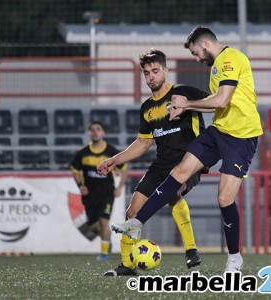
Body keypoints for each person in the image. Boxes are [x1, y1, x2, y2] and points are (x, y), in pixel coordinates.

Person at [107, 26, 263, 273]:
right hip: (219, 130)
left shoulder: (232, 59)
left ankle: (234, 257)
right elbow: (216, 105)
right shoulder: (215, 66)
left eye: (195, 53)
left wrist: (187, 103)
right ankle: (136, 222)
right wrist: (186, 109)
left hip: (241, 136)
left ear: (205, 45)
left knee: (224, 199)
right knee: (179, 171)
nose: (196, 58)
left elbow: (221, 100)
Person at [98, 49, 209, 276]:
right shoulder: (147, 108)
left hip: (190, 160)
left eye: (155, 71)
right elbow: (142, 143)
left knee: (173, 191)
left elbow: (215, 101)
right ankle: (127, 265)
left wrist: (191, 105)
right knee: (132, 212)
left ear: (166, 71)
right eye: (146, 73)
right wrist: (114, 160)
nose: (151, 77)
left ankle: (191, 250)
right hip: (161, 164)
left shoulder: (183, 92)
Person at [71, 121, 127, 261]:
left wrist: (120, 187)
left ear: (103, 133)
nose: (95, 132)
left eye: (98, 129)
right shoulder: (83, 153)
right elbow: (75, 171)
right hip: (89, 194)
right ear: (89, 133)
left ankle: (103, 253)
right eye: (92, 129)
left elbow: (124, 169)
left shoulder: (111, 152)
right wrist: (80, 186)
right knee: (94, 227)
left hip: (107, 192)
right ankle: (106, 241)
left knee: (104, 221)